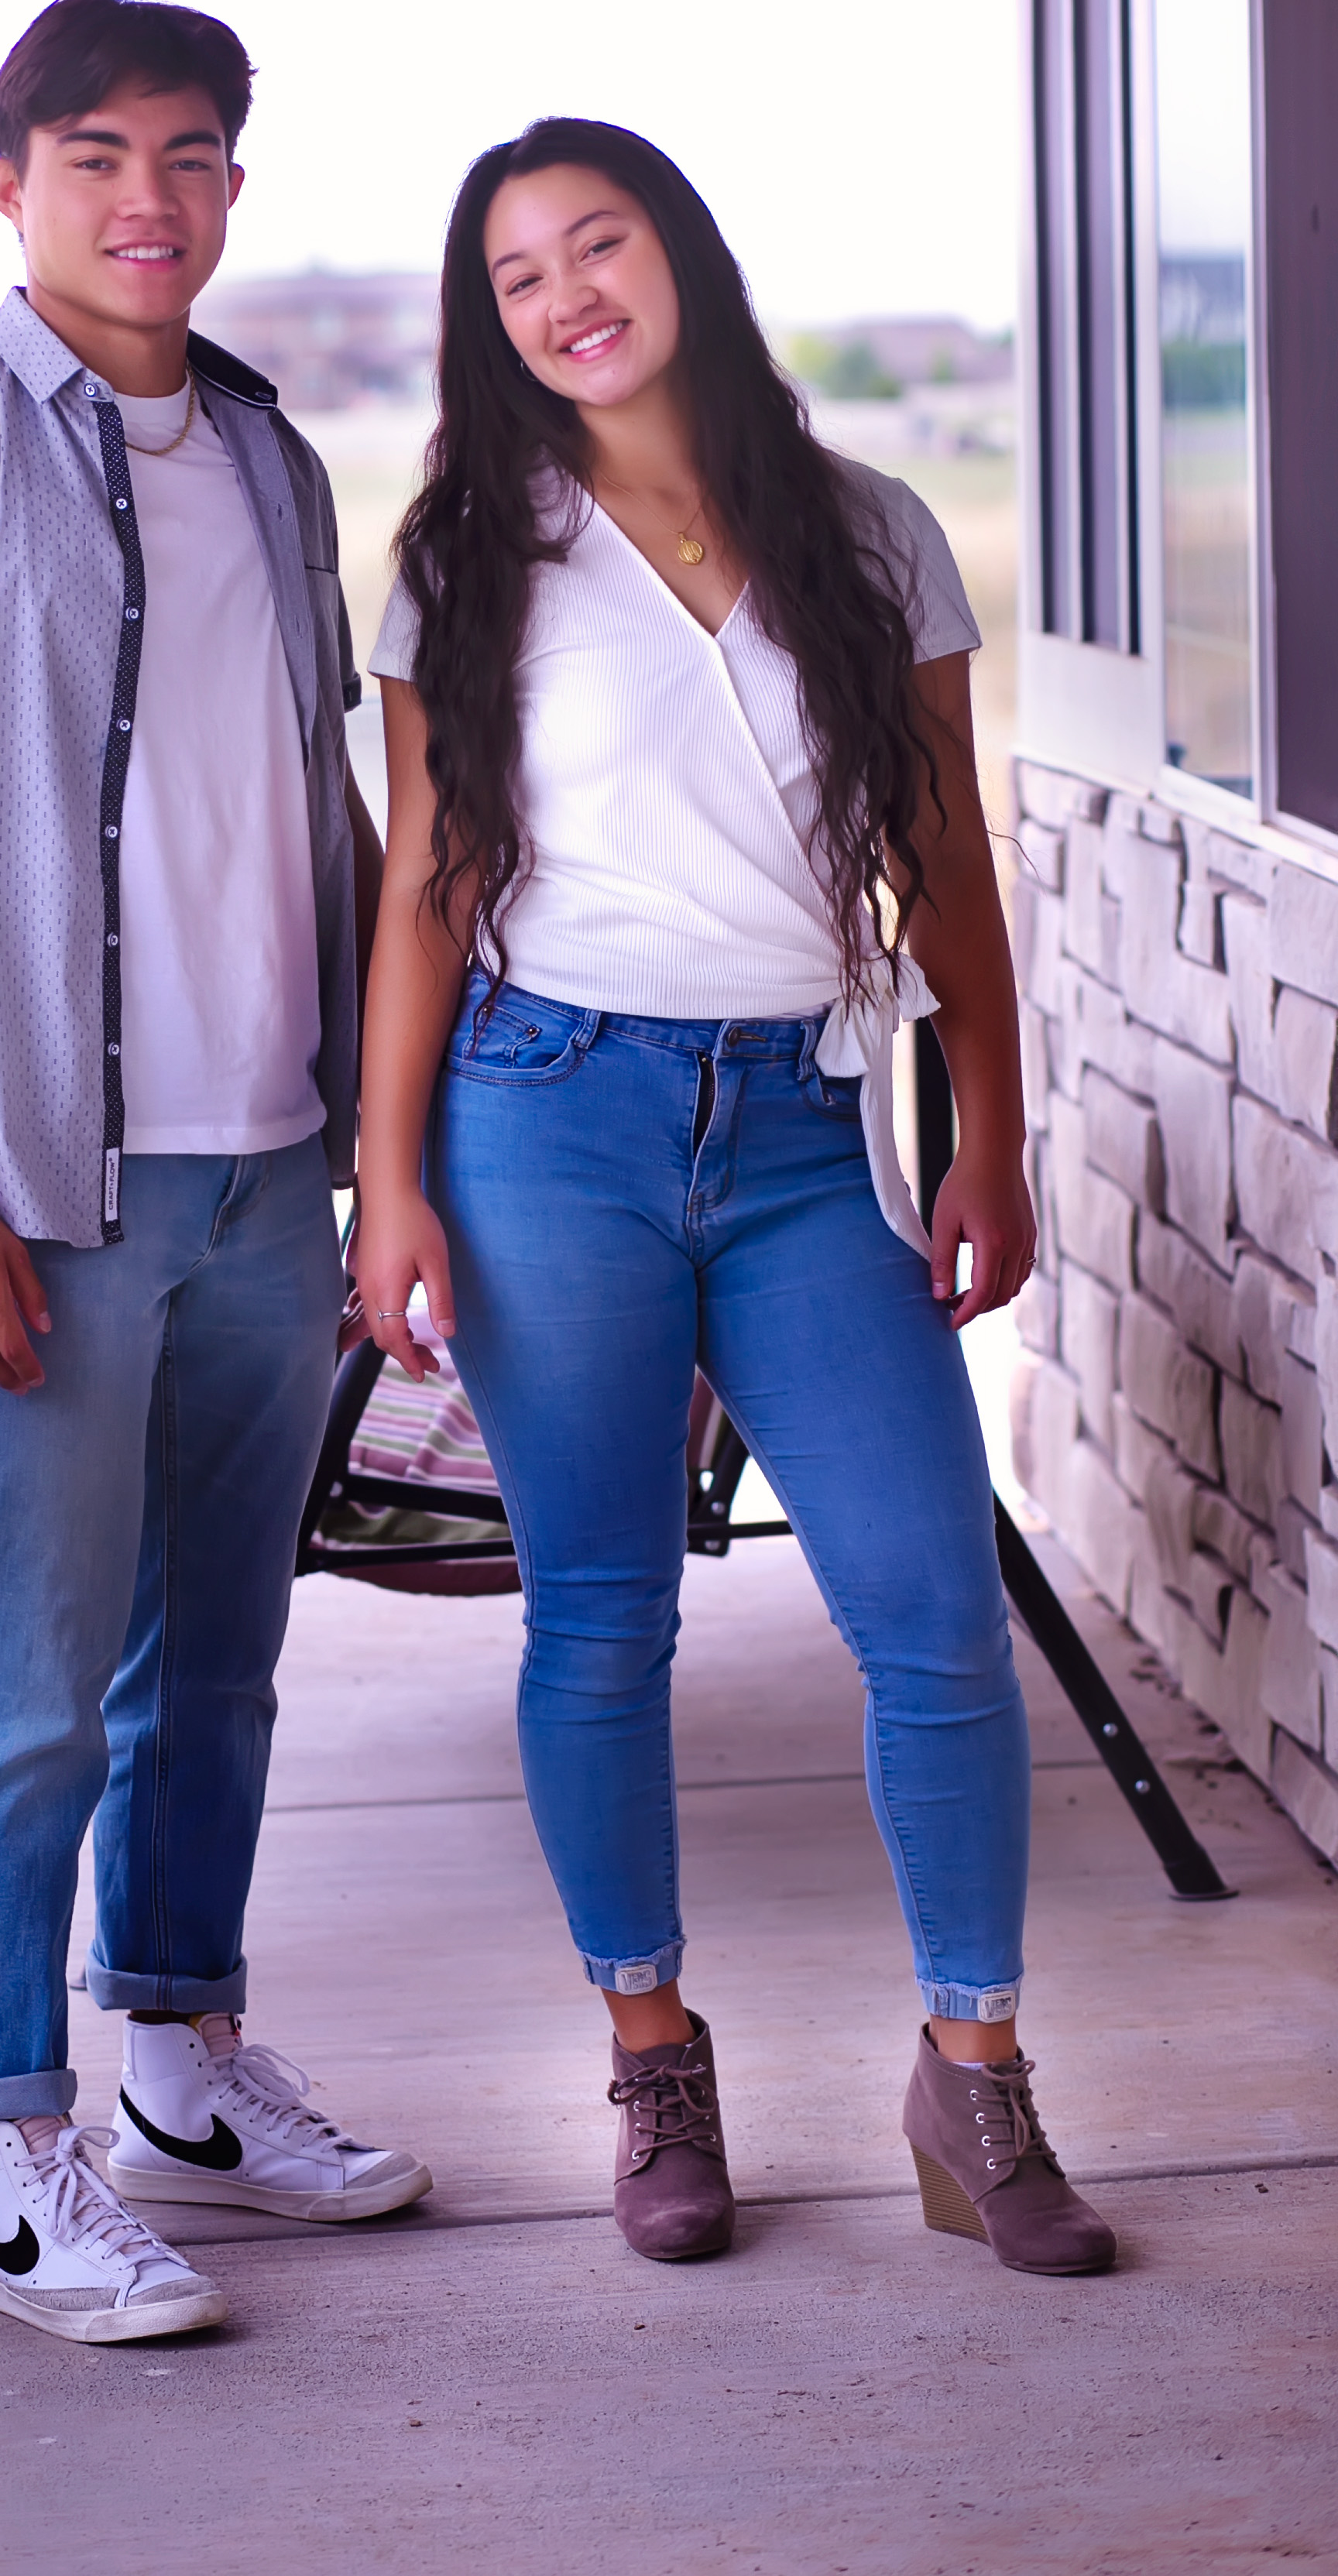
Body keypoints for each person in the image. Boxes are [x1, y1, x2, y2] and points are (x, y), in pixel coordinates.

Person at [352, 117, 1114, 2279]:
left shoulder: (868, 532)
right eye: (517, 275)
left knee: (931, 1611)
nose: (566, 296)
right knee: (601, 1621)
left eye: (597, 243)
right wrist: (388, 1182)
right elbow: (428, 884)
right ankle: (652, 2056)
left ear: (677, 251)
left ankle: (974, 2081)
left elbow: (943, 861)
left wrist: (992, 1131)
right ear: (489, 323)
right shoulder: (470, 556)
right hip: (546, 1118)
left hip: (807, 1128)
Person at [0, 0, 431, 2348]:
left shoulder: (270, 456)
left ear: (234, 188)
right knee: (29, 1683)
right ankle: (6, 2156)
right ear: (10, 187)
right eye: (94, 156)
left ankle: (180, 2064)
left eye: (188, 156)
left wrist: (378, 1135)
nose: (145, 199)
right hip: (53, 1183)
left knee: (221, 1666)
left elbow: (313, 800)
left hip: (270, 1166)